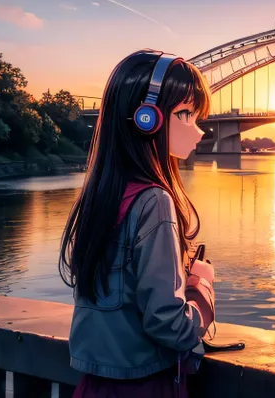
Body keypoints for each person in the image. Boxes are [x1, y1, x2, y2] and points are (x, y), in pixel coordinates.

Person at [59, 49, 216, 398]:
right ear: (148, 119)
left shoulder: (99, 196)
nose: (199, 131)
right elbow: (170, 327)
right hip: (145, 388)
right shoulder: (154, 202)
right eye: (186, 114)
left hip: (93, 387)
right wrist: (201, 287)